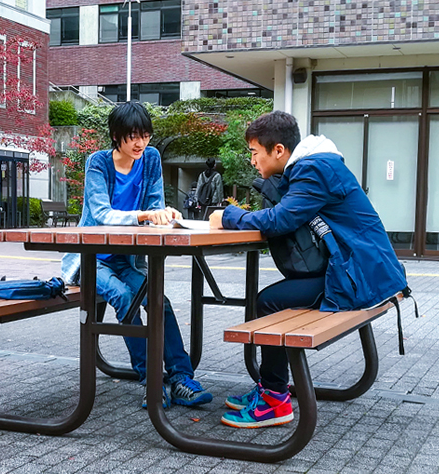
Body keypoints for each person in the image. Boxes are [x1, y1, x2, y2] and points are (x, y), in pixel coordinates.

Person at [209, 111, 408, 429]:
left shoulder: (313, 169)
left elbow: (280, 220)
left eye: (254, 152)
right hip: (358, 270)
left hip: (362, 279)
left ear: (277, 150)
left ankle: (275, 399)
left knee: (270, 302)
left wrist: (227, 216)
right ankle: (270, 388)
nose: (252, 161)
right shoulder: (315, 165)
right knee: (272, 298)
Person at [61, 101, 213, 409]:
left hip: (127, 257)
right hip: (91, 261)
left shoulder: (151, 158)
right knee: (123, 296)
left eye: (144, 134)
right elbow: (101, 213)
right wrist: (143, 215)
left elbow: (155, 204)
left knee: (160, 302)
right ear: (116, 136)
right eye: (132, 136)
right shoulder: (98, 163)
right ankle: (152, 380)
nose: (140, 142)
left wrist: (164, 215)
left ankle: (181, 378)